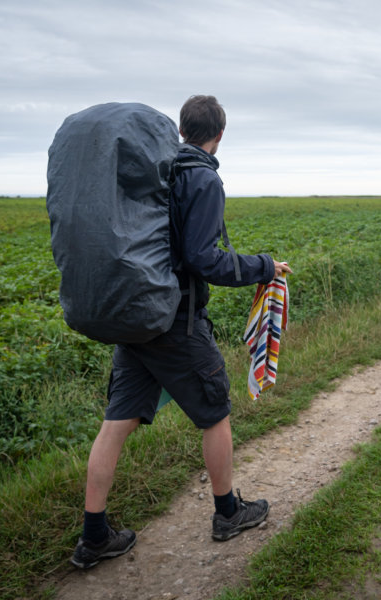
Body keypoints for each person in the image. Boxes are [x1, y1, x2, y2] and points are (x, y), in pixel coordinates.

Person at [70, 95, 293, 569]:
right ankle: (228, 513)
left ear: (181, 129)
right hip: (176, 321)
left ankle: (94, 536)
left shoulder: (162, 170)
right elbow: (202, 258)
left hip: (136, 316)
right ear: (220, 133)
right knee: (215, 411)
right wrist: (264, 267)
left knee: (117, 421)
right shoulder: (202, 176)